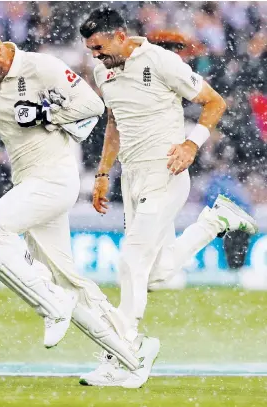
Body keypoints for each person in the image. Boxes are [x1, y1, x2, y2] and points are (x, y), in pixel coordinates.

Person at [0, 26, 157, 389]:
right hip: (28, 182)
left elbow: (94, 106)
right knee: (65, 279)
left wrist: (44, 113)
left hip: (56, 178)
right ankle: (131, 355)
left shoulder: (41, 67)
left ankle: (51, 306)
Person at [79, 7, 258, 386]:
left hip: (167, 172)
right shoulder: (102, 69)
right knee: (155, 275)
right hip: (132, 179)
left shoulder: (160, 61)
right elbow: (114, 122)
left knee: (130, 263)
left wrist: (192, 145)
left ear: (120, 36)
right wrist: (102, 173)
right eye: (90, 49)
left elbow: (215, 102)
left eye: (99, 47)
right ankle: (215, 221)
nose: (95, 55)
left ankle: (126, 354)